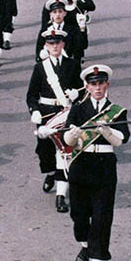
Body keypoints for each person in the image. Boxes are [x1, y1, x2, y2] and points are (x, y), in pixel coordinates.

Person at [63, 65, 130, 261]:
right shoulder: (78, 108)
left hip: (104, 168)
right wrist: (72, 133)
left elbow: (122, 140)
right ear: (87, 87)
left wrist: (108, 132)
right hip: (81, 167)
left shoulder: (117, 111)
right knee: (80, 216)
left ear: (107, 85)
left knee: (102, 219)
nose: (98, 88)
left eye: (101, 83)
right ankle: (84, 245)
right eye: (93, 84)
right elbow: (66, 139)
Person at [28, 25, 84, 213]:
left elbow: (83, 90)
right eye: (51, 43)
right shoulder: (40, 67)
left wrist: (77, 94)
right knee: (44, 151)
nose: (54, 46)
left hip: (66, 113)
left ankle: (61, 195)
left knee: (65, 151)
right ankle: (51, 173)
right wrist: (34, 111)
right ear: (46, 45)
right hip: (45, 113)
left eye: (57, 43)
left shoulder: (73, 65)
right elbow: (31, 95)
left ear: (63, 44)